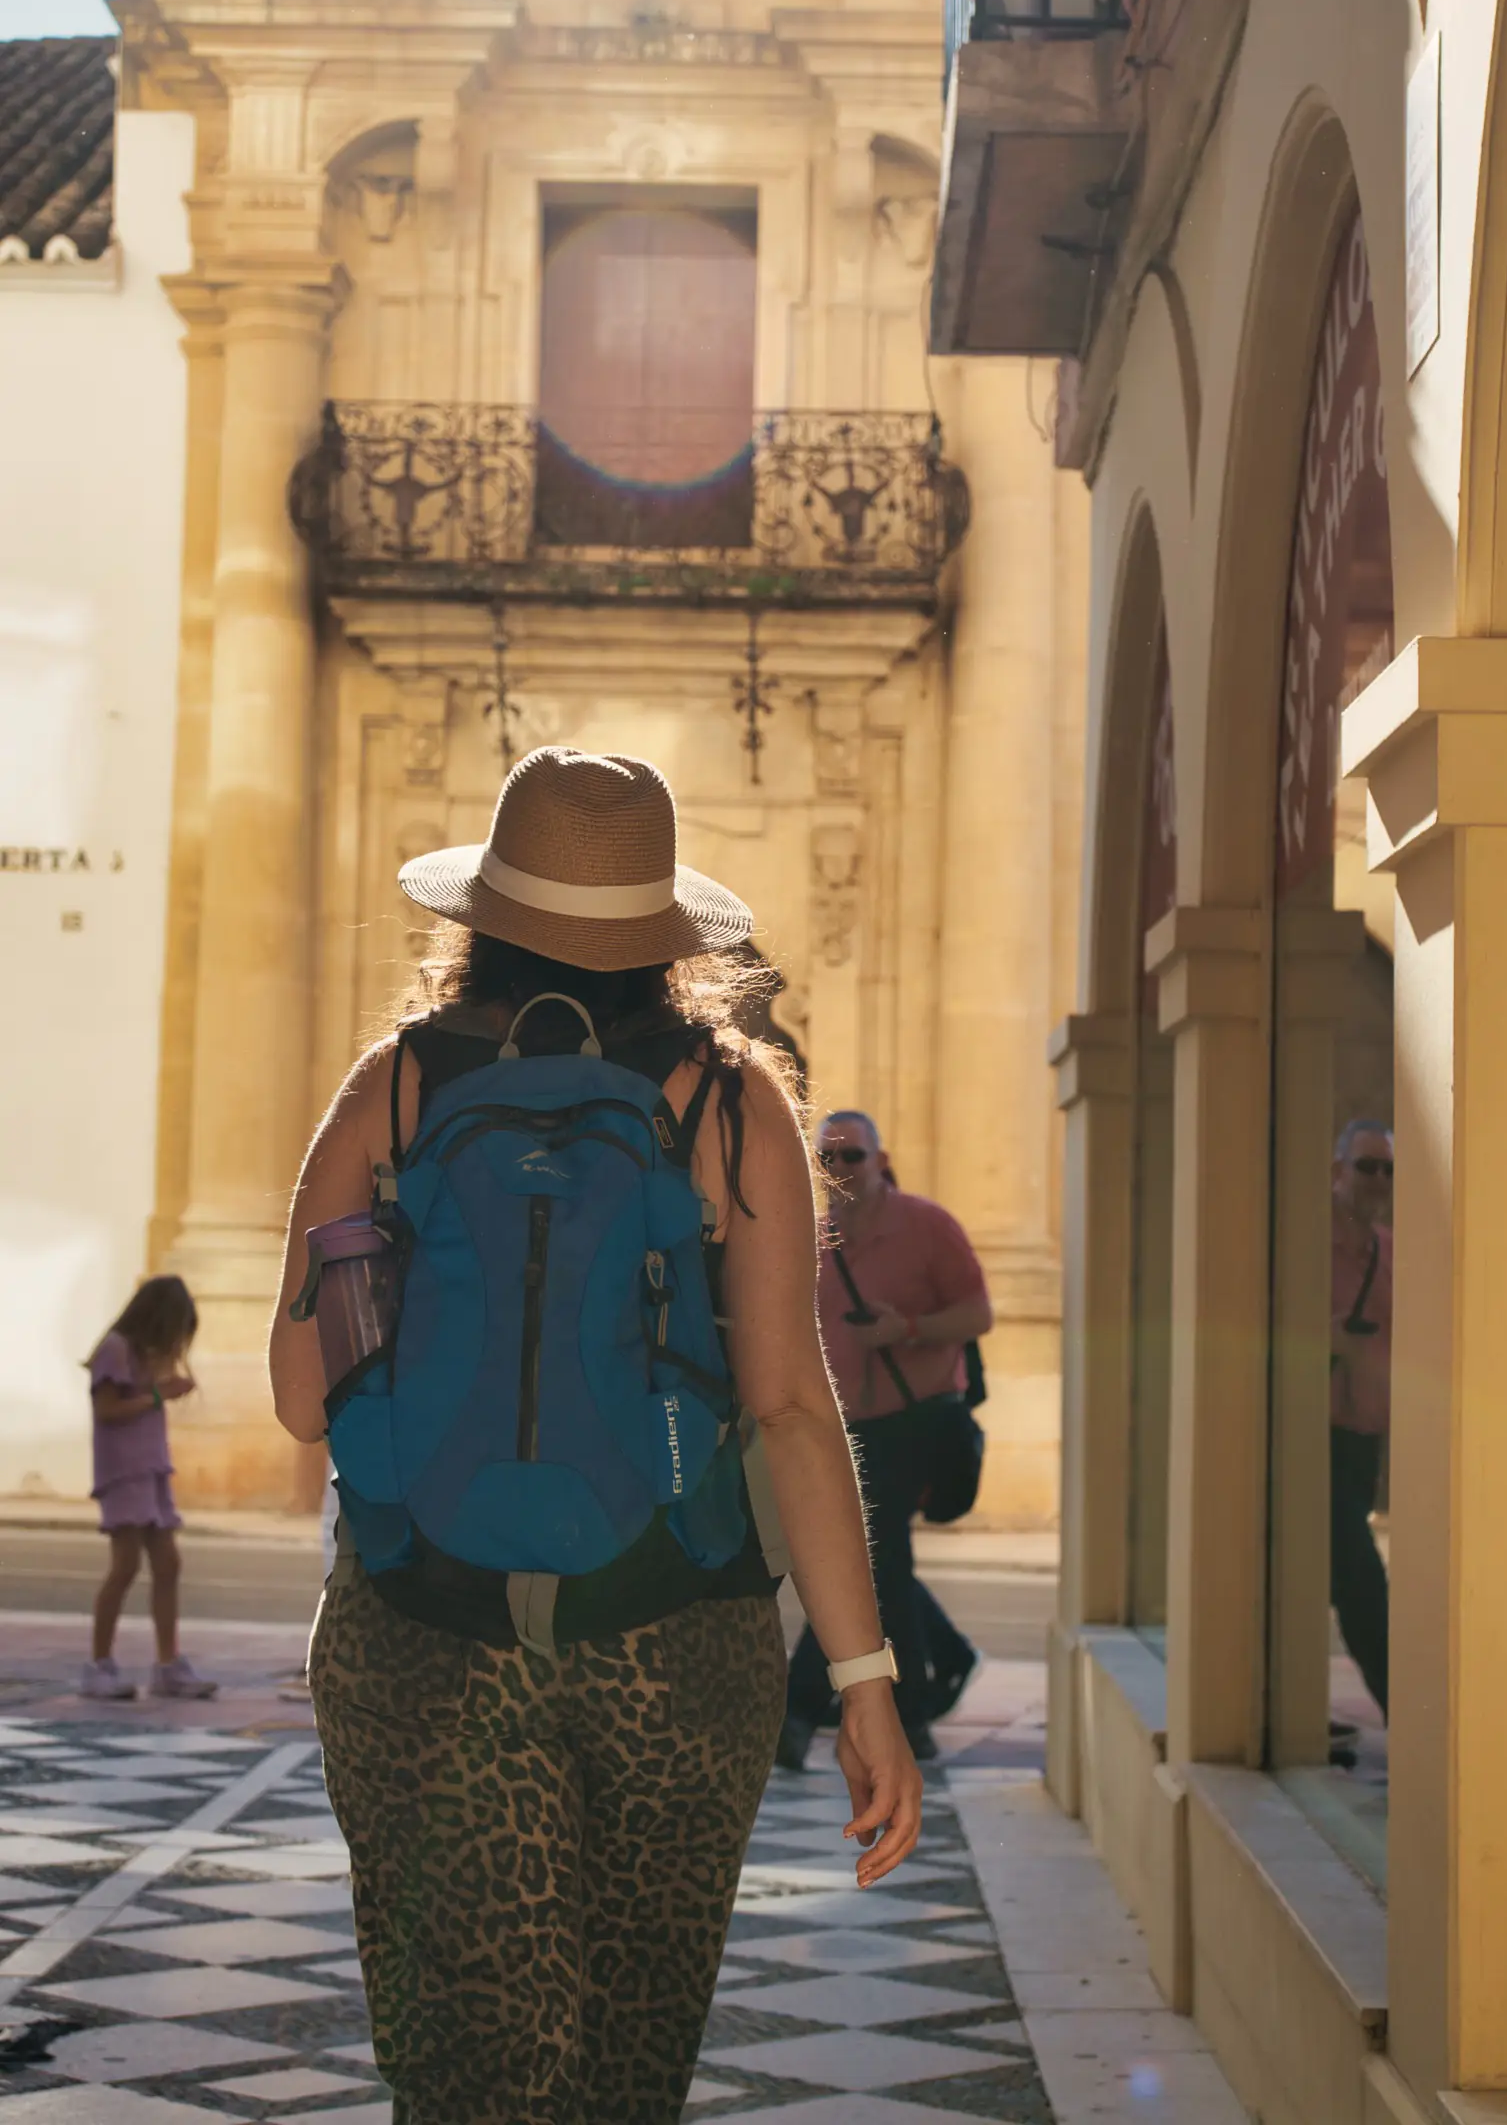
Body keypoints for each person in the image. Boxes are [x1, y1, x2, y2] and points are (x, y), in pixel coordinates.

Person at [269, 746, 921, 2125]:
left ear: (481, 916)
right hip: (676, 1637)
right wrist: (862, 1679)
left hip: (422, 1633)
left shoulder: (393, 1088)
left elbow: (296, 1394)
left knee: (469, 2076)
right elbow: (795, 1408)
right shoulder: (732, 1099)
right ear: (666, 938)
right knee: (630, 2067)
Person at [778, 1110, 993, 1772]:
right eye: (828, 1159)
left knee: (871, 1556)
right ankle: (934, 1672)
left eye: (853, 1157)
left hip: (913, 1419)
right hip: (839, 1429)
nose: (839, 1170)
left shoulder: (928, 1226)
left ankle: (807, 1705)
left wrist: (905, 1329)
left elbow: (976, 1313)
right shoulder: (805, 1238)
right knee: (878, 1558)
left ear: (881, 1160)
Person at [81, 1276, 217, 1702]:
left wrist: (163, 1387)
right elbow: (107, 1409)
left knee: (167, 1565)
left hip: (151, 1469)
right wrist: (159, 1394)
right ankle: (99, 1665)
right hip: (124, 1472)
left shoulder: (143, 1355)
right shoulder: (116, 1350)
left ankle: (167, 1665)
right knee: (124, 1566)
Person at [1329, 1117, 1393, 1721]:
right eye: (1366, 1166)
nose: (1378, 1180)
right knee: (1359, 1583)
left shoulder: (1391, 1253)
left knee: (1329, 1576)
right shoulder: (1305, 1246)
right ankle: (1406, 1710)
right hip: (1310, 1440)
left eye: (1387, 1169)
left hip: (1361, 1443)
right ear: (1337, 1171)